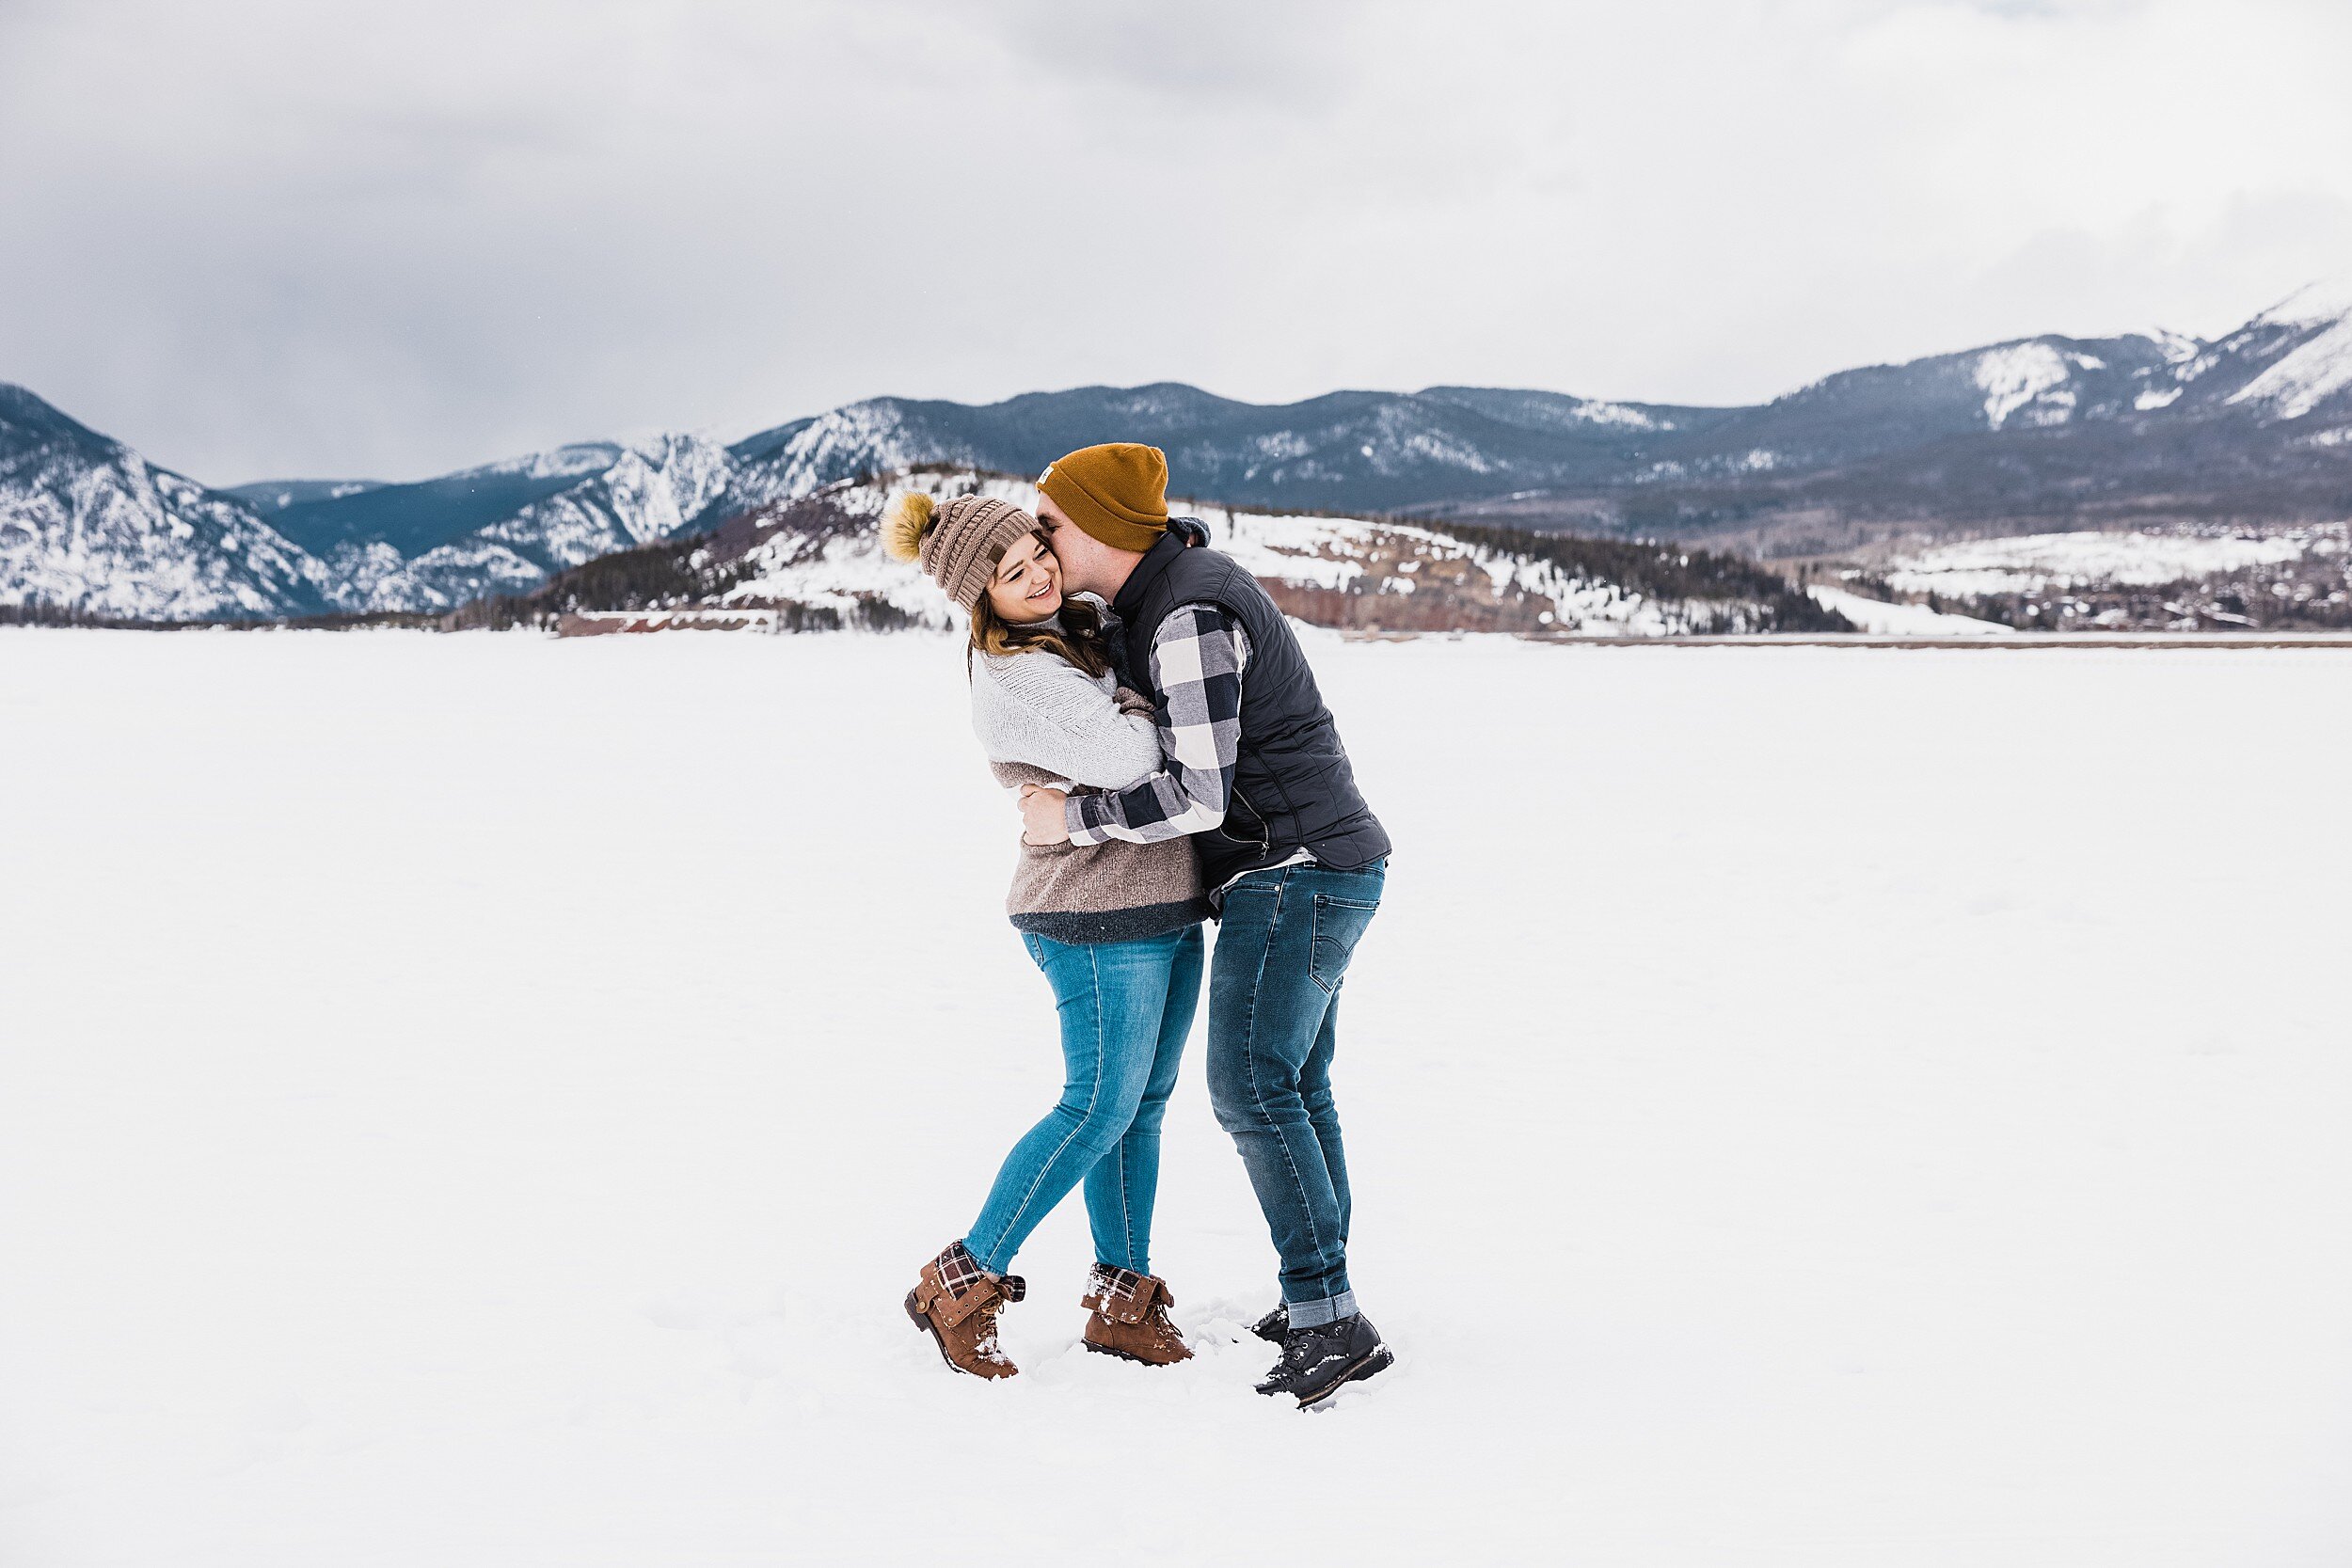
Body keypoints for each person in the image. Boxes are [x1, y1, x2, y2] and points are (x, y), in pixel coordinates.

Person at [1015, 443, 1397, 1410]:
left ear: (1102, 524)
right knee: (1296, 1084)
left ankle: (1328, 1317)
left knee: (1254, 1088)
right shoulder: (1172, 593)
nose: (1040, 539)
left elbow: (1194, 791)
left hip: (1296, 869)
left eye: (1052, 522)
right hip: (1324, 860)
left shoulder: (1185, 611)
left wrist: (1072, 821)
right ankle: (1322, 1299)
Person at [883, 490, 1213, 1381]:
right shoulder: (1017, 676)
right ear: (977, 596)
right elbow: (1136, 762)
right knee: (1098, 1105)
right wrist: (1148, 697)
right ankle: (962, 1279)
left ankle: (1122, 1298)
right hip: (1092, 911)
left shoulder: (1073, 630)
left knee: (1137, 1108)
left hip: (1160, 902)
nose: (1035, 576)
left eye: (1036, 553)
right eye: (1010, 573)